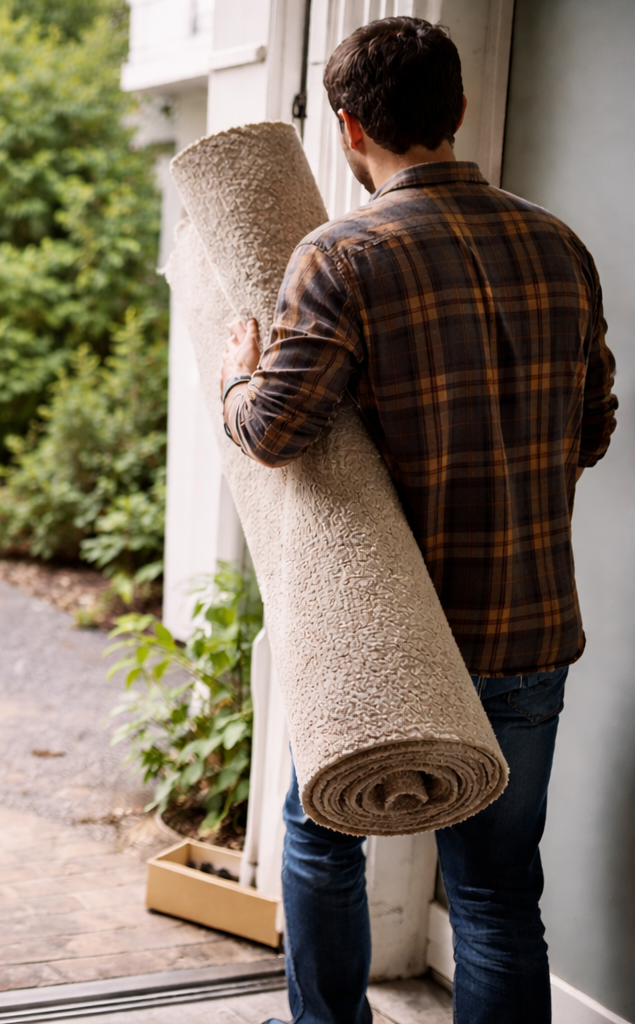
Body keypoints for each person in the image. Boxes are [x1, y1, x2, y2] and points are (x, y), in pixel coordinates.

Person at [216, 16, 617, 1024]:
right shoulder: (559, 245)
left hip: (389, 642)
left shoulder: (338, 256)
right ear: (460, 110)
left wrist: (235, 376)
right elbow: (595, 428)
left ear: (348, 125)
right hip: (529, 630)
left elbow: (274, 432)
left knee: (318, 837)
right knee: (492, 891)